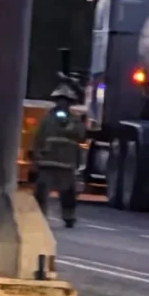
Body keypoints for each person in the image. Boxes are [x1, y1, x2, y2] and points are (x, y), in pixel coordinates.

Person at [32, 84, 86, 228]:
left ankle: (69, 216)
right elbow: (38, 138)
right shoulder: (47, 119)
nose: (62, 103)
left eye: (65, 101)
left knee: (68, 193)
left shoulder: (74, 121)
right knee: (41, 192)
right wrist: (36, 159)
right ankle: (39, 217)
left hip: (66, 163)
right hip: (47, 162)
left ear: (69, 103)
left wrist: (69, 127)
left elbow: (81, 136)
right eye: (60, 100)